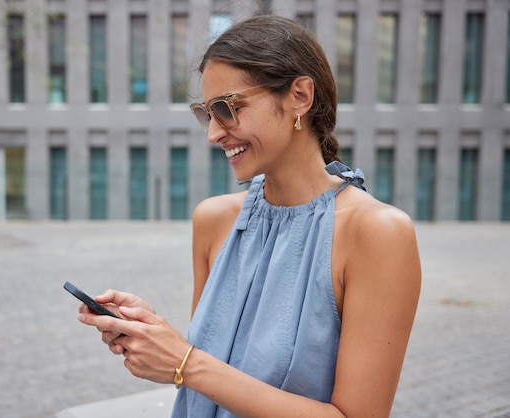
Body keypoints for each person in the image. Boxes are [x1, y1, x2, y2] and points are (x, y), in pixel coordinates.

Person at [77, 14, 421, 418]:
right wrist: (157, 339)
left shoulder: (377, 234)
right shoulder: (214, 220)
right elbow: (216, 371)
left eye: (228, 108)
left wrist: (186, 362)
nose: (214, 133)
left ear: (299, 96)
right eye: (207, 113)